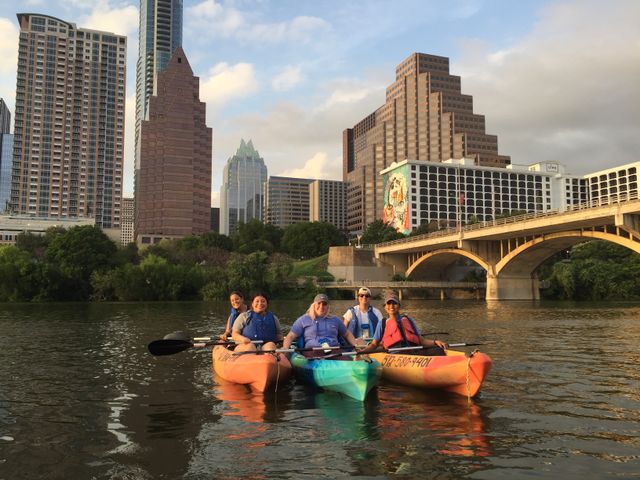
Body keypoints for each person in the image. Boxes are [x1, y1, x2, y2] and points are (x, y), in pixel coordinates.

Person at [359, 292, 448, 355]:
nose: (392, 306)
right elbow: (374, 344)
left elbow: (422, 341)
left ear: (399, 306)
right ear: (385, 307)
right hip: (396, 355)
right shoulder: (382, 323)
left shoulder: (408, 320)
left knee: (438, 350)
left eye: (395, 303)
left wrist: (435, 342)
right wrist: (363, 352)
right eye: (389, 304)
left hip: (413, 352)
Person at [283, 294, 359, 355]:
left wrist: (355, 345)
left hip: (334, 351)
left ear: (328, 306)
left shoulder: (335, 320)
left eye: (324, 304)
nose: (321, 306)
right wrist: (285, 348)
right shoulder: (303, 319)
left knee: (349, 355)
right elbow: (291, 336)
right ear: (313, 305)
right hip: (312, 351)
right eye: (319, 303)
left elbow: (347, 334)